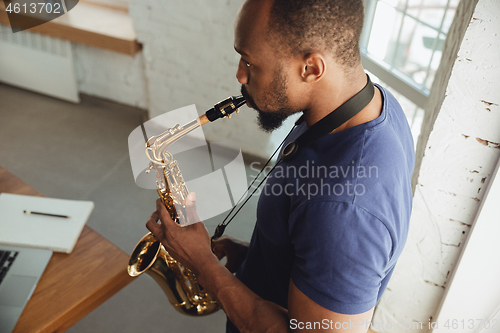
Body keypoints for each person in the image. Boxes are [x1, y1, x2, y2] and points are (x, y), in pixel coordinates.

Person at [146, 0, 415, 332]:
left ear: (312, 69)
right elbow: (318, 244)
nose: (240, 75)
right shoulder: (371, 103)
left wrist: (202, 264)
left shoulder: (344, 213)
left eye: (250, 62)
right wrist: (261, 255)